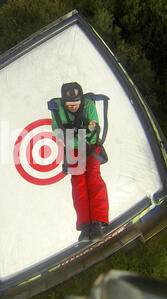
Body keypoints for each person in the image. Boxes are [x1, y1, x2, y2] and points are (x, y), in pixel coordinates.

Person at [49, 82, 109, 242]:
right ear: (64, 102)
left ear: (81, 100)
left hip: (90, 146)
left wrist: (83, 132)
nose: (73, 107)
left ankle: (98, 222)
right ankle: (85, 225)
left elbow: (95, 130)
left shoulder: (88, 105)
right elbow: (57, 131)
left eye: (76, 104)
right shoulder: (57, 109)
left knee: (94, 179)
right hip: (74, 149)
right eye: (69, 105)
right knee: (78, 183)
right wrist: (80, 132)